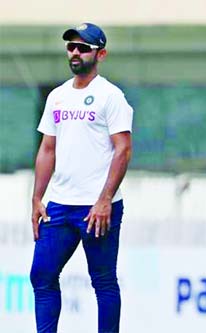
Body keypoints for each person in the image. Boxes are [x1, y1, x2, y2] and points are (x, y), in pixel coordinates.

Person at [30, 23, 133, 333]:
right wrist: (37, 198)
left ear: (99, 54)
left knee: (102, 280)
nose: (75, 52)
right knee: (42, 274)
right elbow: (48, 149)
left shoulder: (110, 96)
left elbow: (123, 150)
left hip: (96, 207)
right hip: (60, 204)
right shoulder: (57, 96)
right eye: (71, 47)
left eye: (83, 48)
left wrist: (104, 201)